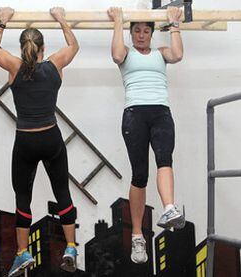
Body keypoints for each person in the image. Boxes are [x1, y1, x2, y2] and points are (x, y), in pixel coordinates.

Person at [0, 6, 79, 276]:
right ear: (42, 47)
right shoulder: (55, 64)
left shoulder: (15, 66)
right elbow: (74, 45)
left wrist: (1, 22)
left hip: (25, 141)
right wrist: (62, 18)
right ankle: (71, 246)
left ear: (22, 47)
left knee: (23, 197)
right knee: (62, 192)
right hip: (51, 137)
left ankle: (22, 253)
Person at [108, 6, 186, 264]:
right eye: (137, 31)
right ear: (131, 34)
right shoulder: (127, 53)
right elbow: (117, 53)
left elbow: (178, 54)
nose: (141, 35)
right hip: (134, 115)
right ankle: (138, 236)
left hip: (161, 112)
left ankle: (169, 208)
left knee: (165, 159)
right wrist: (119, 21)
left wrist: (174, 23)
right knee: (140, 174)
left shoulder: (160, 54)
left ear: (152, 34)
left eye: (145, 31)